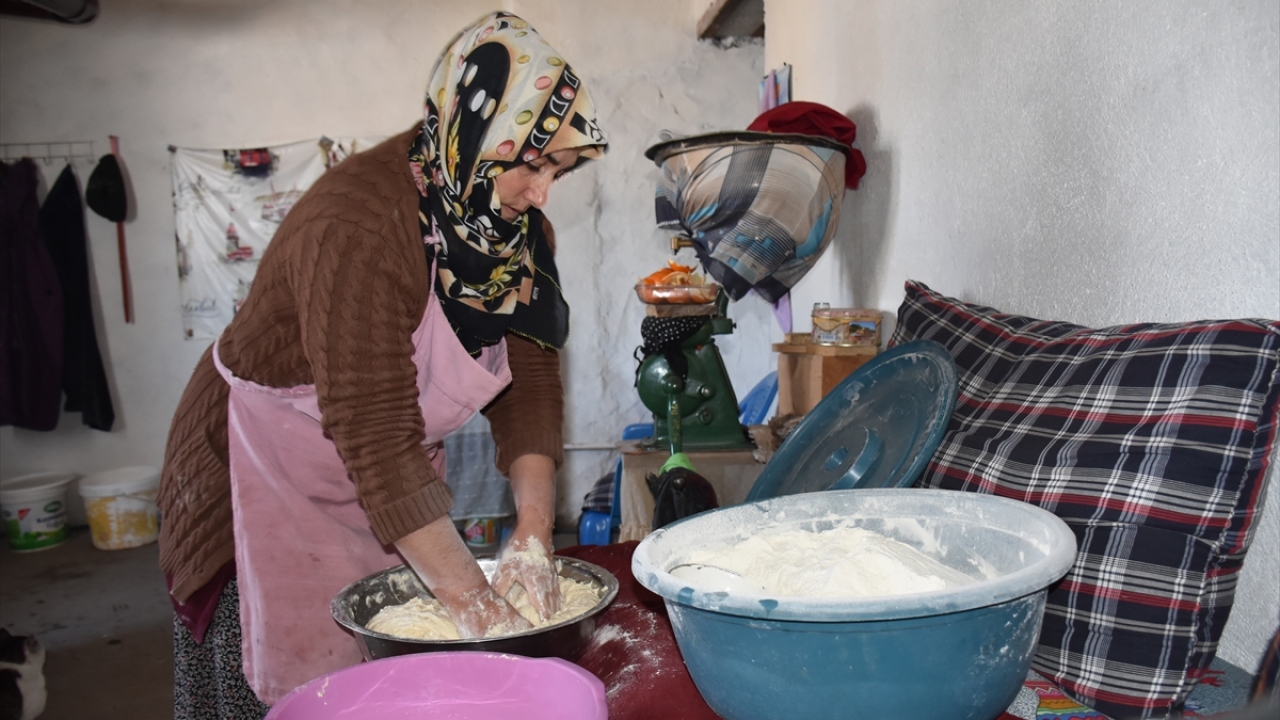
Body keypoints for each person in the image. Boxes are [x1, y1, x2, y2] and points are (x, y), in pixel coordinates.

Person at [157, 12, 607, 717]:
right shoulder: (359, 224)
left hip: (381, 480)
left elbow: (534, 381)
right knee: (300, 687)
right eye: (533, 162)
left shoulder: (512, 227)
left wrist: (533, 533)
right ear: (477, 130)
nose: (543, 192)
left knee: (395, 673)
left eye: (561, 168)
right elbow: (374, 427)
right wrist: (479, 609)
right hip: (258, 471)